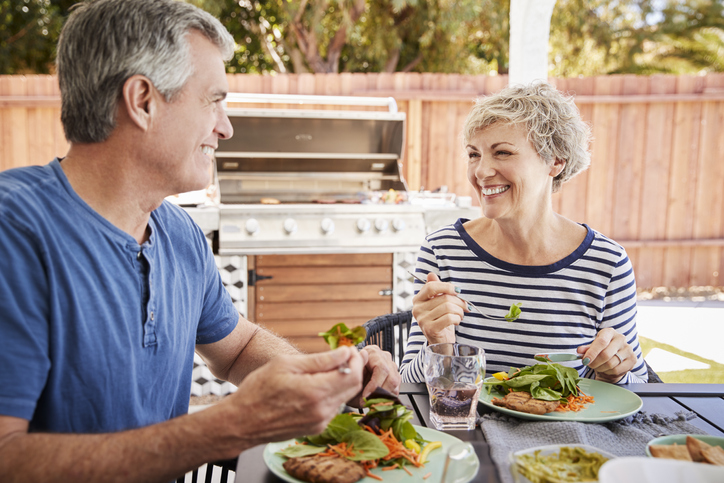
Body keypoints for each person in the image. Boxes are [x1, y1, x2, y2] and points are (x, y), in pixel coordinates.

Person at [0, 1, 399, 481]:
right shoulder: (14, 232)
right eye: (214, 100)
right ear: (142, 101)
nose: (226, 127)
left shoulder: (176, 232)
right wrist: (230, 425)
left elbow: (236, 347)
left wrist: (333, 377)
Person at [399, 82, 648, 385]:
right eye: (474, 154)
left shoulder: (606, 263)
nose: (481, 171)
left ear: (555, 161)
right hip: (467, 429)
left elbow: (639, 387)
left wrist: (616, 372)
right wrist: (439, 343)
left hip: (567, 429)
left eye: (502, 152)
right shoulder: (443, 250)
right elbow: (408, 383)